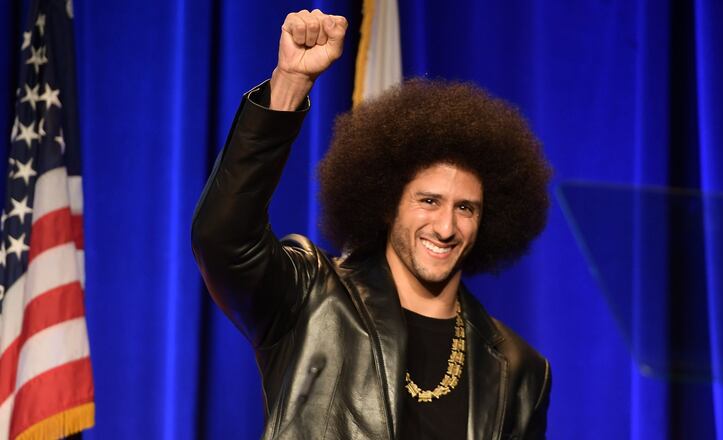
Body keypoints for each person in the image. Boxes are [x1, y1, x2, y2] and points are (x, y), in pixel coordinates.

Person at [191, 9, 553, 440]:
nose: (445, 227)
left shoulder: (520, 368)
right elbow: (222, 239)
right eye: (429, 201)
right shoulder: (311, 295)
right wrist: (289, 84)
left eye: (466, 208)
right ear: (387, 203)